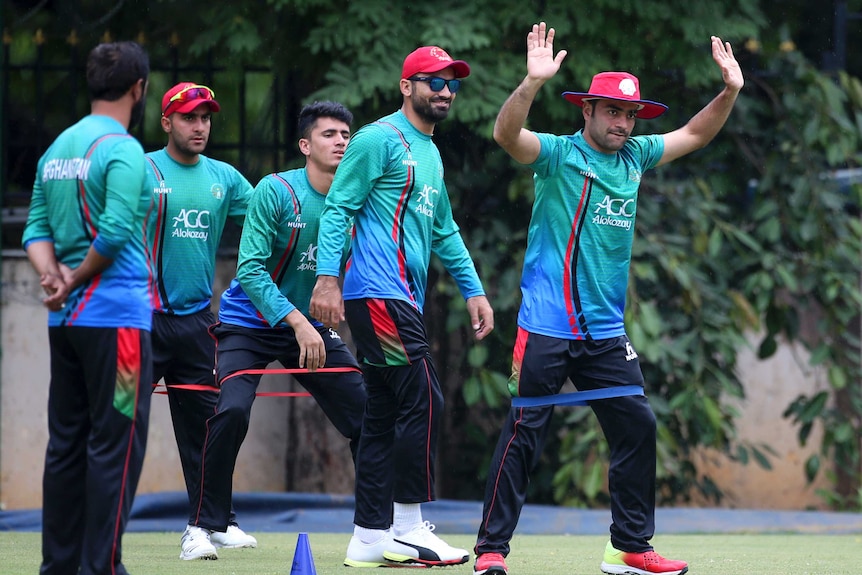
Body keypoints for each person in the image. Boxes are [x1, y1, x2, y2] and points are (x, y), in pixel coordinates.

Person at [472, 22, 744, 575]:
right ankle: (492, 550)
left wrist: (730, 92)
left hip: (603, 332)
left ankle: (628, 548)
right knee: (524, 432)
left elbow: (693, 135)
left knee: (636, 426)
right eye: (611, 112)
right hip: (546, 324)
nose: (622, 122)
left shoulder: (636, 157)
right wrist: (530, 82)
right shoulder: (556, 154)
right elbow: (507, 137)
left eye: (629, 114)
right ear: (587, 112)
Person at [309, 47, 495, 568]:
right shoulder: (377, 139)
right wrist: (327, 280)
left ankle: (369, 536)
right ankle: (409, 528)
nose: (444, 90)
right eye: (432, 80)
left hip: (398, 298)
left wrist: (474, 289)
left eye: (452, 83)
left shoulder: (431, 154)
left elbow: (445, 230)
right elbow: (339, 207)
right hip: (376, 292)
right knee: (425, 396)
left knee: (384, 412)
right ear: (405, 86)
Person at [187, 101, 368, 555]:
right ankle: (204, 526)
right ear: (306, 145)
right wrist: (298, 323)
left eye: (346, 134)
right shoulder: (275, 191)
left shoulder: (357, 200)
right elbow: (248, 269)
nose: (341, 141)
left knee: (368, 416)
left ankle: (375, 528)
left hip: (308, 326)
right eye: (329, 134)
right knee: (231, 412)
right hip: (248, 322)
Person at [22, 41, 153, 575]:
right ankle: (101, 568)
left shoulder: (56, 149)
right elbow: (118, 229)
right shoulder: (122, 150)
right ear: (138, 89)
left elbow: (35, 228)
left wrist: (52, 278)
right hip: (117, 322)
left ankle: (58, 566)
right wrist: (75, 276)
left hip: (65, 323)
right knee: (117, 446)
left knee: (67, 443)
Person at [144, 81, 258, 560]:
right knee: (117, 421)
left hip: (196, 324)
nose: (200, 126)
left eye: (206, 118)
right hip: (142, 322)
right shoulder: (143, 171)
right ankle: (94, 520)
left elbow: (268, 225)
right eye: (189, 117)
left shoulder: (225, 178)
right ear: (167, 121)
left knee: (211, 427)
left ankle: (216, 521)